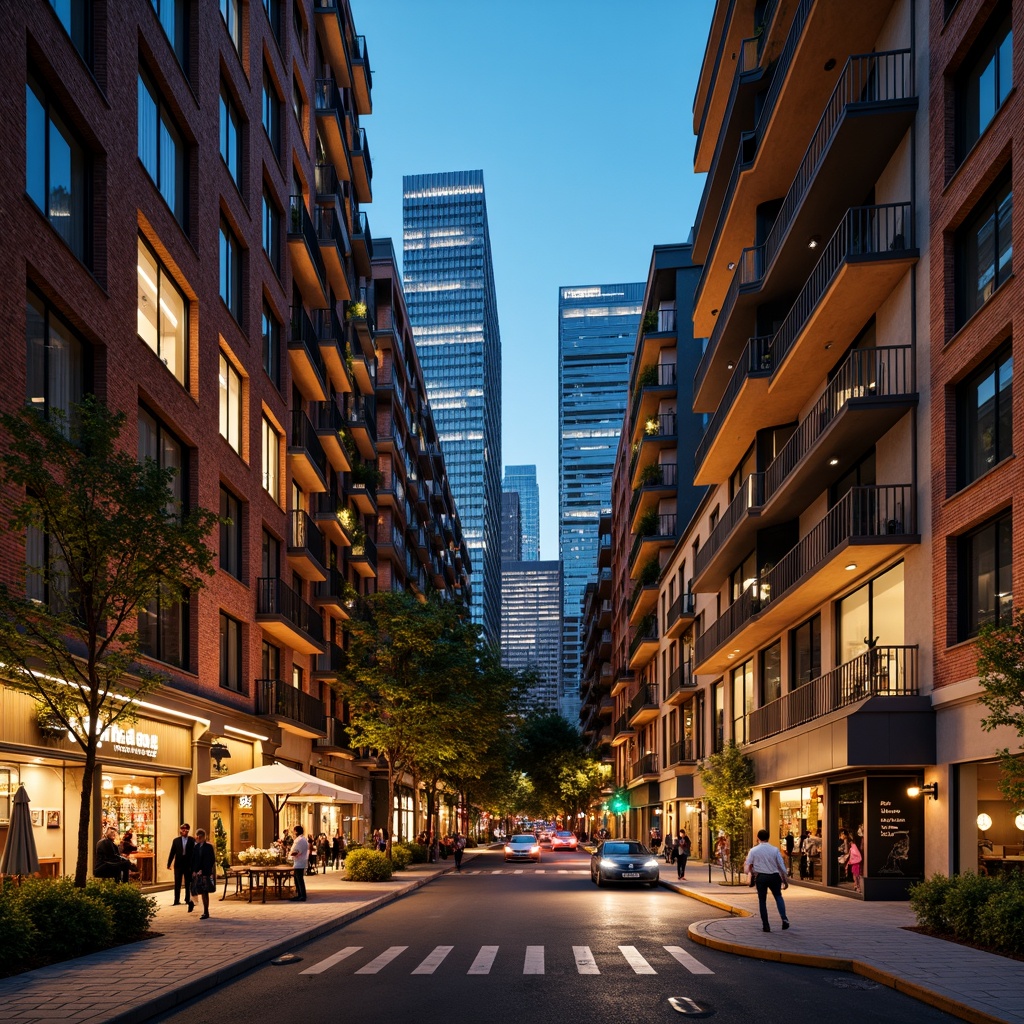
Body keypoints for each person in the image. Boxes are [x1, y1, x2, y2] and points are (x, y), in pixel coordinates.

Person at [744, 829, 791, 933]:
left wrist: (748, 873)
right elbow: (781, 865)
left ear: (758, 837)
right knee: (778, 896)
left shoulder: (753, 850)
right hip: (774, 876)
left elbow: (747, 866)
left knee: (762, 901)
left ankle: (766, 925)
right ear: (768, 837)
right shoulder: (774, 850)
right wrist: (785, 878)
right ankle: (784, 919)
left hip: (761, 877)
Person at [166, 823, 196, 908]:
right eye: (182, 830)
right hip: (178, 864)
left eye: (185, 830)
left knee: (188, 882)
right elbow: (172, 852)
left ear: (188, 831)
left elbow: (194, 853)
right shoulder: (176, 840)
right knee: (177, 882)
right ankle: (176, 900)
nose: (184, 831)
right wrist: (169, 863)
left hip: (188, 864)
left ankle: (187, 899)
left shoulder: (191, 840)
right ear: (180, 830)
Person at [189, 827, 216, 919]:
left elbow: (210, 860)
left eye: (200, 837)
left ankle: (206, 911)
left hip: (205, 873)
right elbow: (193, 860)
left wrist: (203, 870)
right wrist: (194, 871)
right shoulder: (196, 847)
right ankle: (193, 904)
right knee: (197, 890)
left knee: (205, 892)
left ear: (203, 837)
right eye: (197, 837)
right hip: (197, 873)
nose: (198, 838)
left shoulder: (209, 847)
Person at [288, 824, 309, 901]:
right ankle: (300, 894)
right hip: (299, 862)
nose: (293, 833)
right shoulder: (301, 839)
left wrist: (290, 855)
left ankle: (302, 895)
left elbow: (296, 851)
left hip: (299, 862)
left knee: (299, 879)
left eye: (293, 831)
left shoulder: (300, 840)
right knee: (297, 879)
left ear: (296, 831)